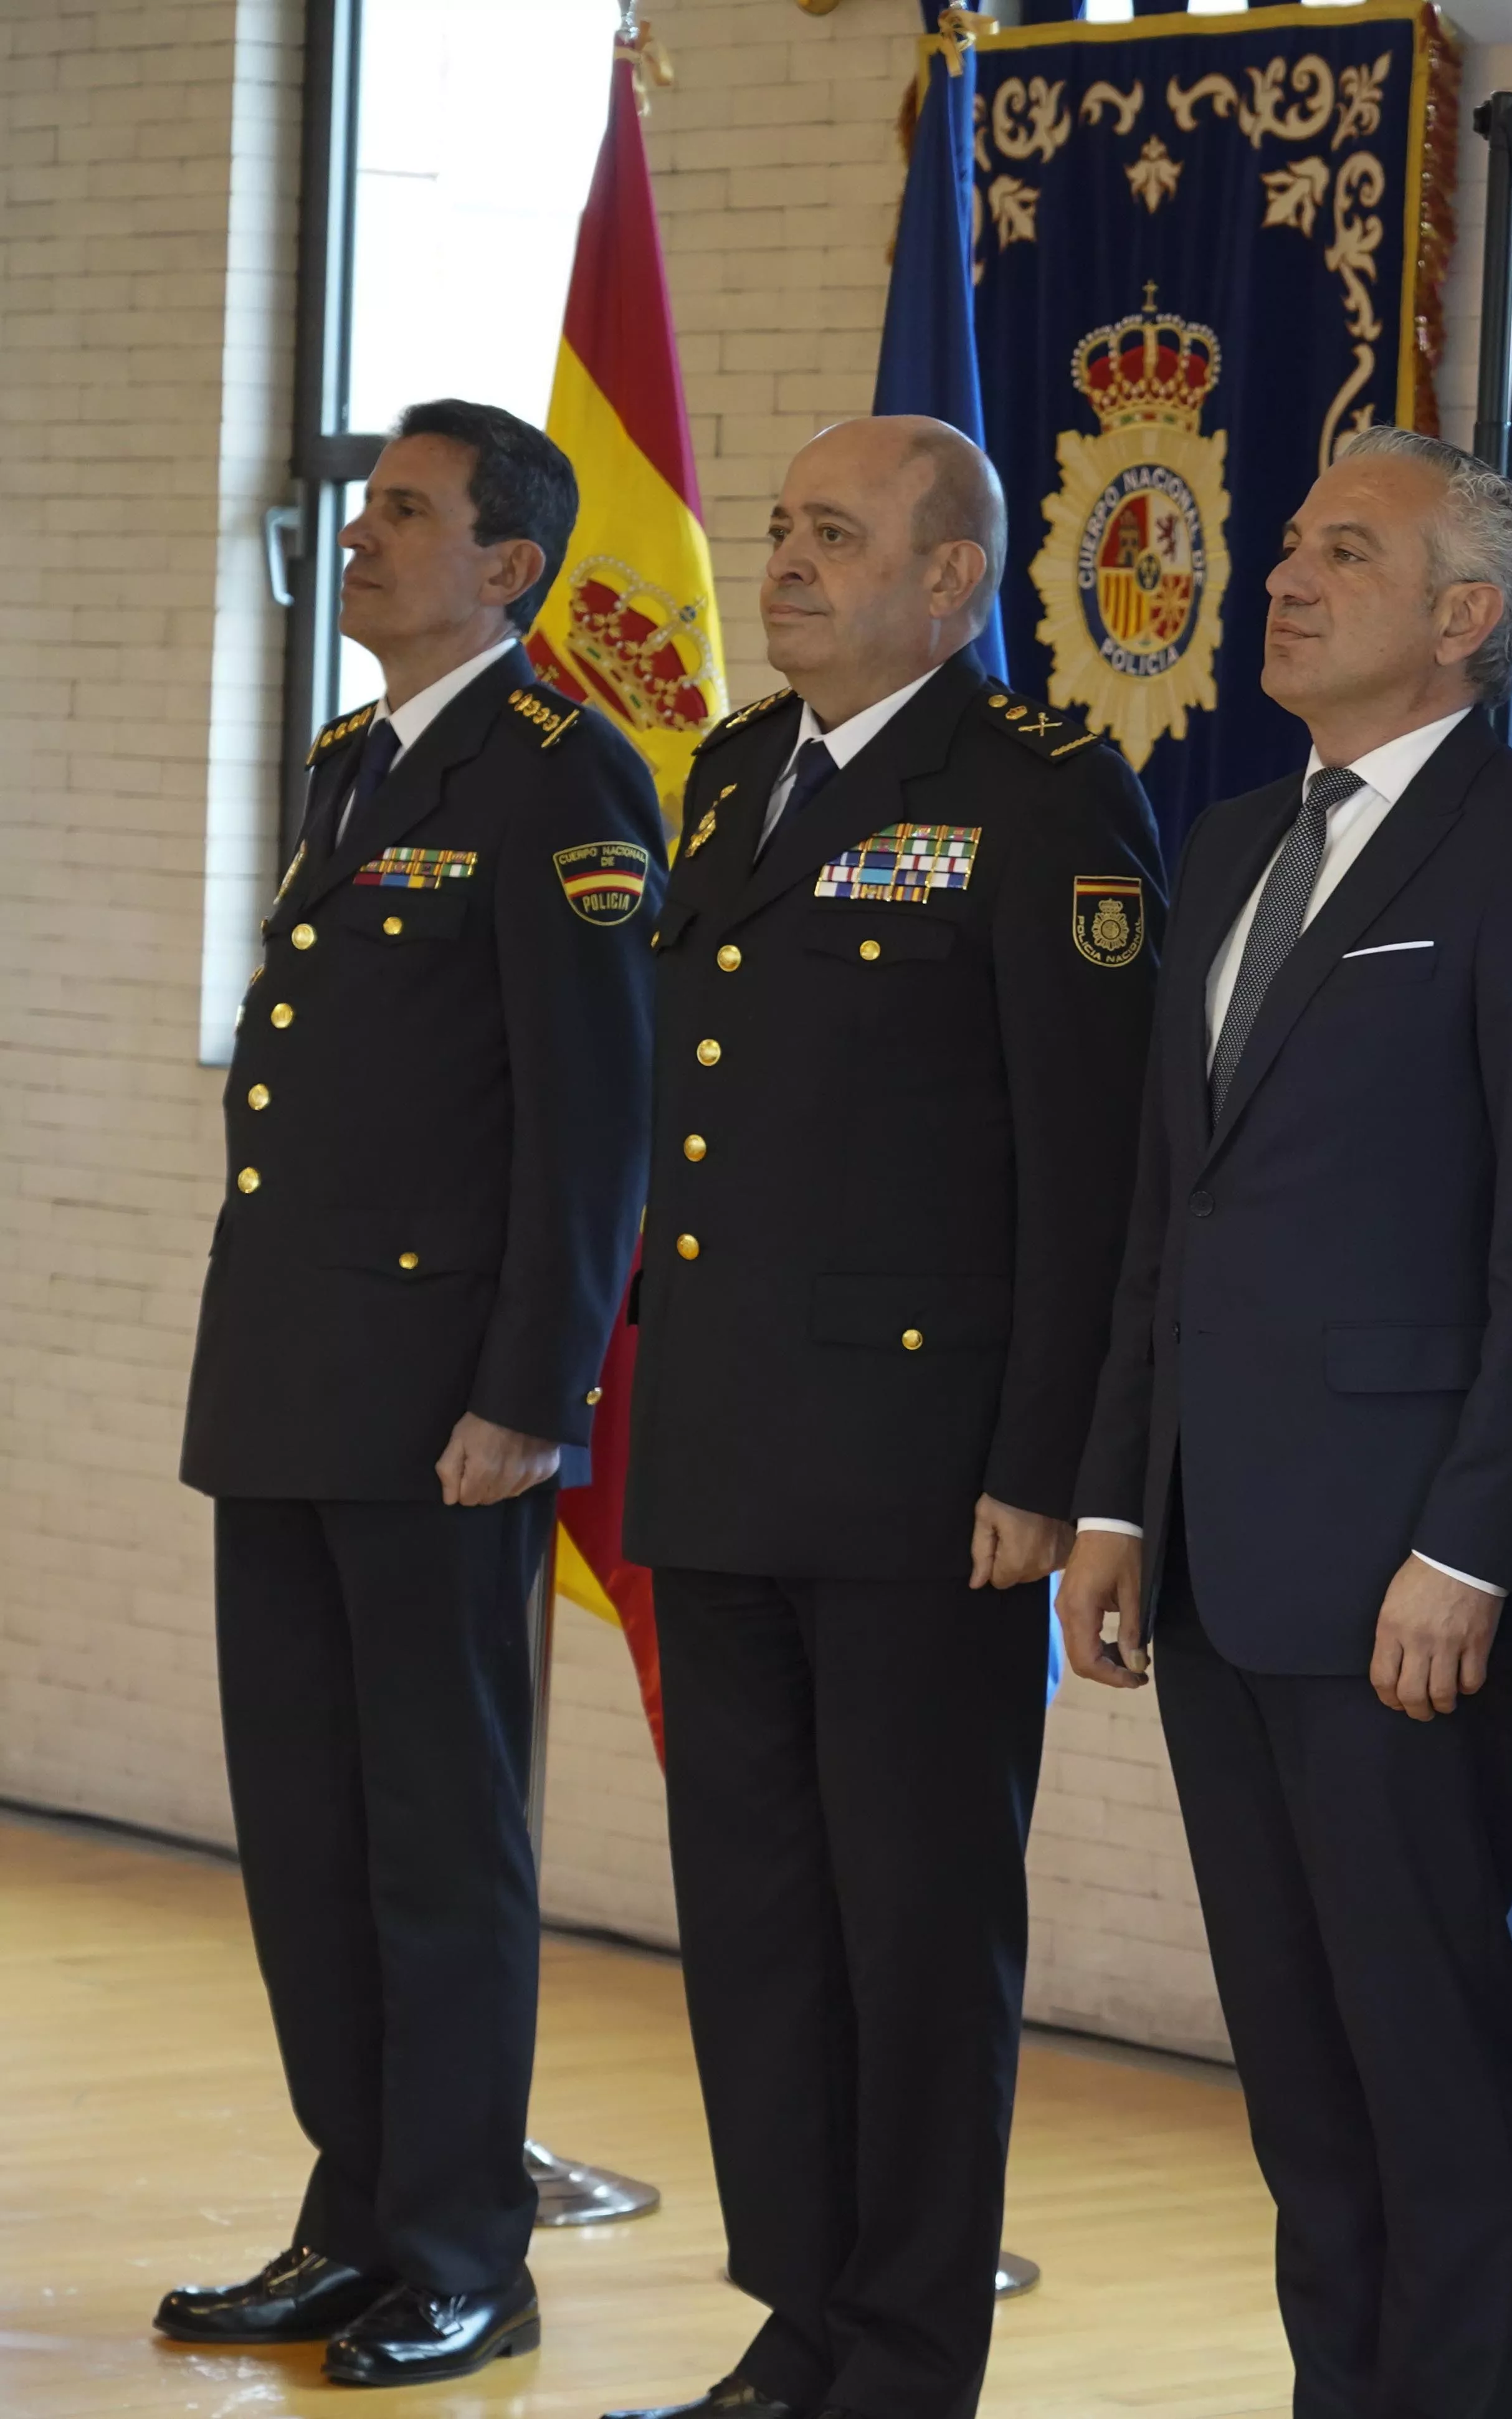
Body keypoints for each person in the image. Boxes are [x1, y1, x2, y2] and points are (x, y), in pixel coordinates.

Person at [1053, 426, 1512, 2419]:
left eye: (1345, 554)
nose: (1283, 581)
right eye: (1291, 547)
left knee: (1422, 2047)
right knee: (1299, 2062)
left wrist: (1472, 1544)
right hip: (1219, 1554)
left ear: (1465, 619)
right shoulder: (1227, 841)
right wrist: (1116, 1502)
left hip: (1407, 1571)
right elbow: (1167, 1208)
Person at [599, 417, 1161, 2419]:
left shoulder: (1038, 796)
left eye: (836, 537)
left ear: (953, 580)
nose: (787, 566)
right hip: (731, 1442)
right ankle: (798, 2322)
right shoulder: (739, 770)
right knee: (756, 1921)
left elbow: (1087, 1171)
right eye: (778, 534)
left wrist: (1043, 1461)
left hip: (933, 1479)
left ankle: (906, 2358)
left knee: (914, 1931)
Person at [164, 399, 658, 2385]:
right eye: (366, 508)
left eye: (407, 514)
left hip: (446, 1414)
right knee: (308, 1836)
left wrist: (530, 1389)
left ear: (510, 567)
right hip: (291, 1384)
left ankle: (465, 2246)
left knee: (440, 1845)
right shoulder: (355, 762)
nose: (363, 537)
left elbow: (592, 1123)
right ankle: (349, 2214)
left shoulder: (565, 773)